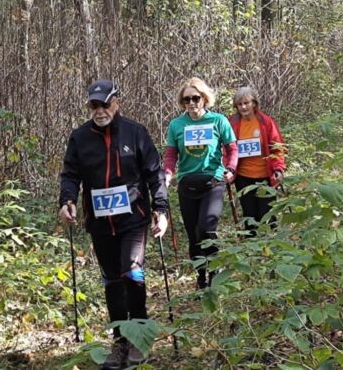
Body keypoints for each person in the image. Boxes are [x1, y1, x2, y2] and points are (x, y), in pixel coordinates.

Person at [58, 80, 170, 370]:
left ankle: (140, 338)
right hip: (99, 222)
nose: (100, 111)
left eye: (105, 104)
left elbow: (155, 173)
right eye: (94, 106)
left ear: (116, 103)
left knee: (132, 271)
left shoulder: (136, 132)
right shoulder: (79, 137)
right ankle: (120, 341)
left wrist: (161, 209)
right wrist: (67, 200)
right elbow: (70, 174)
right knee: (111, 280)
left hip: (133, 218)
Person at [163, 77, 237, 289]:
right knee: (193, 234)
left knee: (206, 227)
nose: (191, 103)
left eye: (195, 98)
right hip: (187, 184)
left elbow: (232, 148)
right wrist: (167, 174)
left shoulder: (218, 121)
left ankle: (215, 269)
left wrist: (231, 168)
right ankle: (201, 274)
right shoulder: (176, 125)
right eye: (186, 99)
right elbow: (171, 154)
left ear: (204, 98)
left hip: (213, 182)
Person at [228, 87, 287, 237]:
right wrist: (228, 168)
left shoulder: (266, 122)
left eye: (246, 103)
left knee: (267, 215)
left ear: (254, 103)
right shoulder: (231, 123)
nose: (243, 107)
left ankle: (271, 245)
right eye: (239, 104)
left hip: (265, 177)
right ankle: (250, 246)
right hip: (243, 177)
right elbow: (226, 148)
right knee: (250, 216)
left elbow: (278, 148)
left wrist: (278, 169)